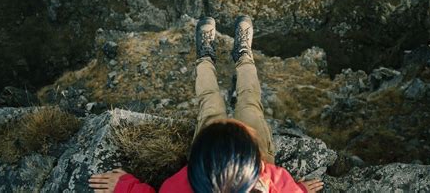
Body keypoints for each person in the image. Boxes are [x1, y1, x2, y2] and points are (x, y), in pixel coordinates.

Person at [88, 16, 324, 193]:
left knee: (210, 100)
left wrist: (125, 187)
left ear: (194, 167)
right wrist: (300, 190)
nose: (233, 121)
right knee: (250, 102)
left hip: (226, 153)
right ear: (254, 169)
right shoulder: (269, 177)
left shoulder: (179, 186)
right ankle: (243, 55)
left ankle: (205, 57)